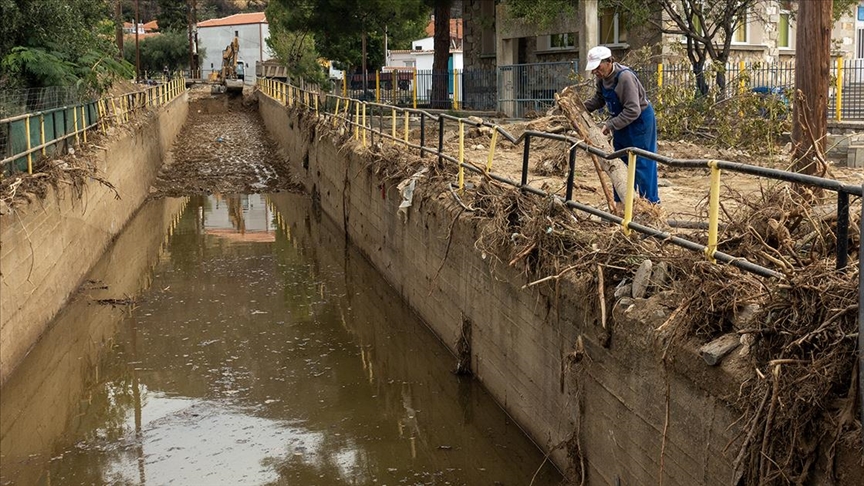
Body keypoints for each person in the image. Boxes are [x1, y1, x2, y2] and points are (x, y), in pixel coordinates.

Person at [583, 45, 660, 205]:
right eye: (593, 69)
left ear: (609, 62)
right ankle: (622, 204)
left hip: (639, 123)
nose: (595, 71)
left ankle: (651, 206)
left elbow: (633, 110)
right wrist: (580, 107)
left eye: (598, 67)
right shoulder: (601, 79)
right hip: (622, 122)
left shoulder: (624, 78)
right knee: (619, 161)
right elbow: (599, 99)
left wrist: (610, 124)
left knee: (642, 163)